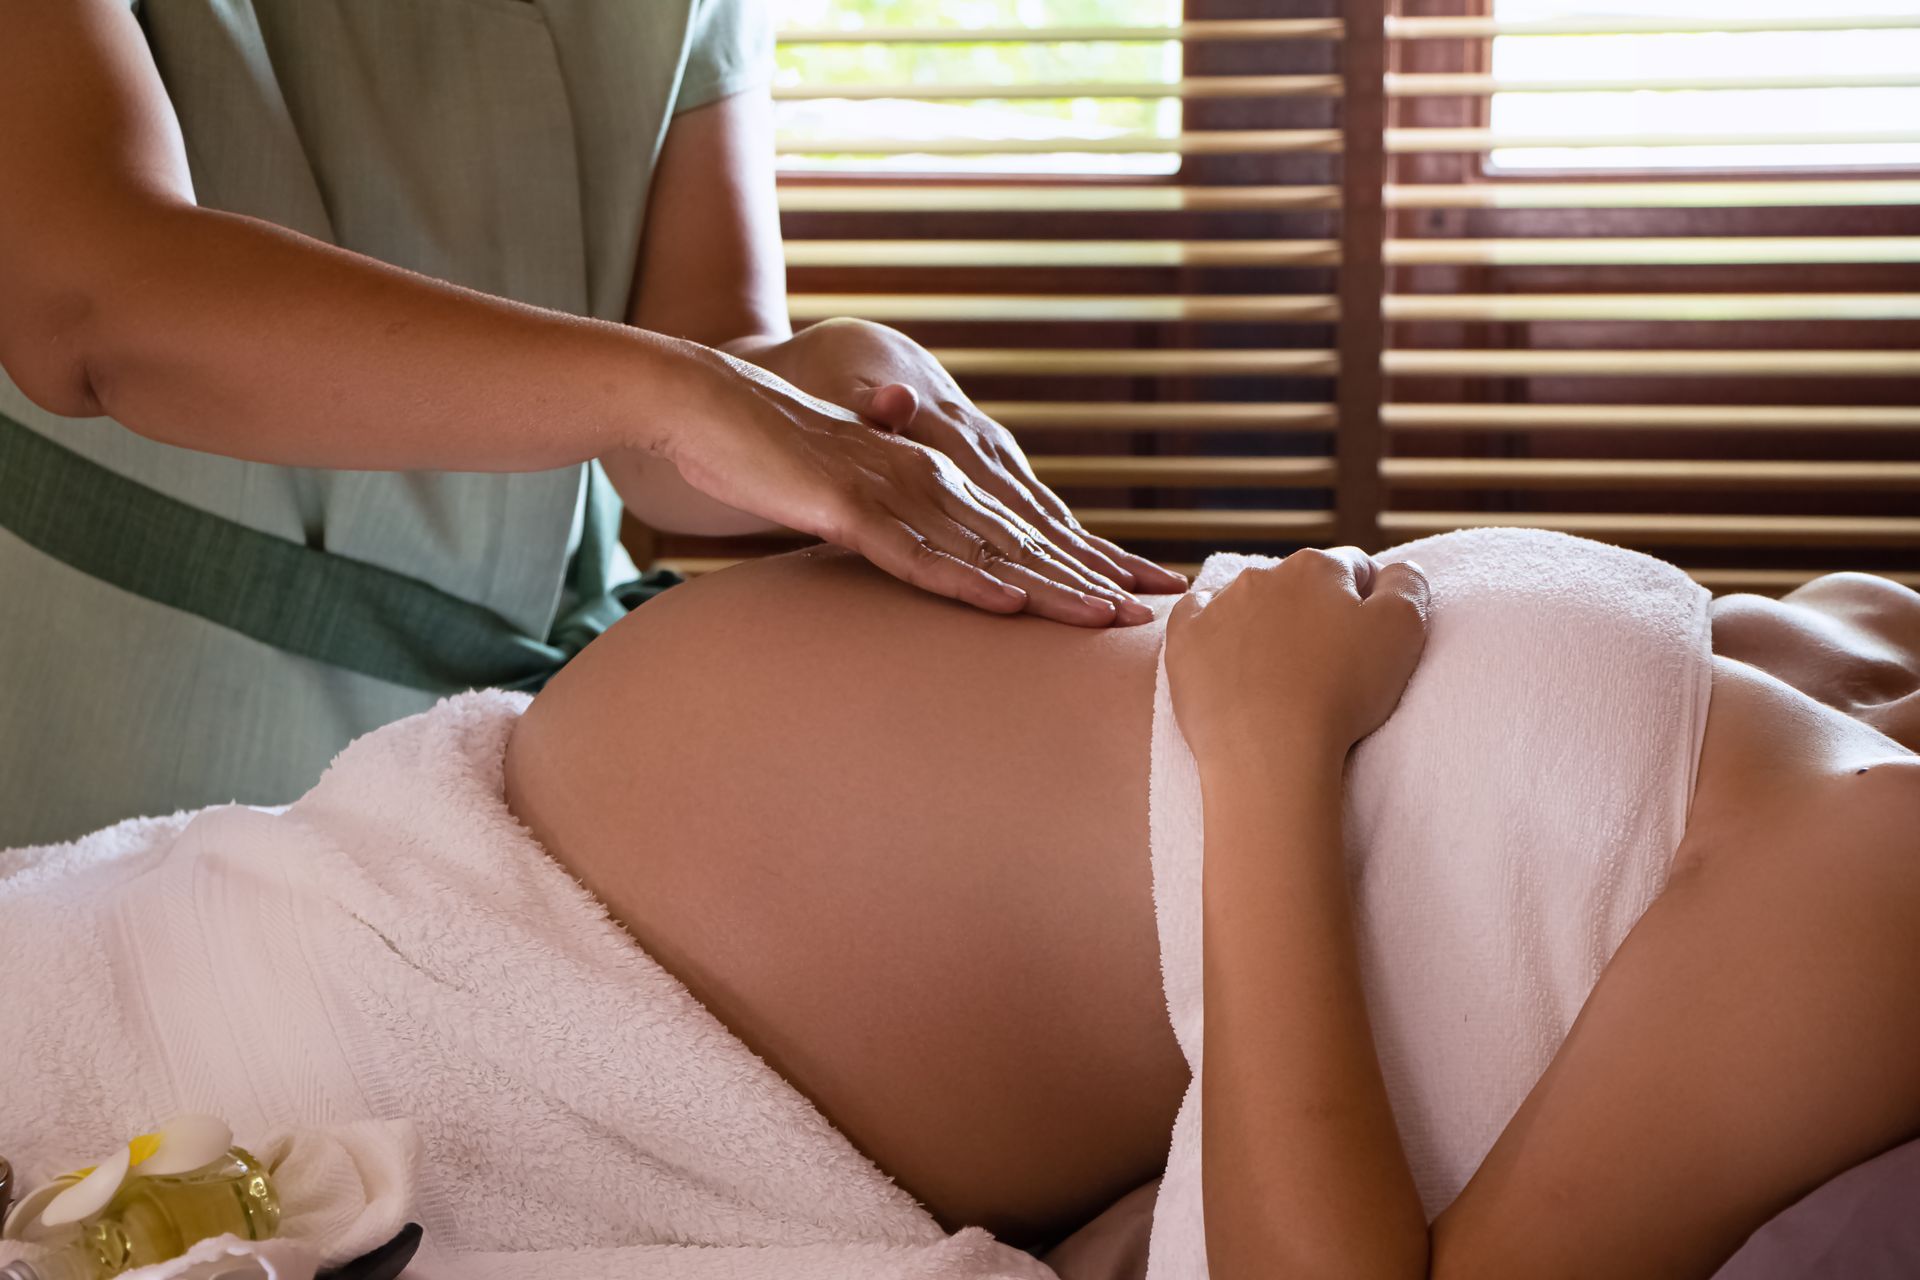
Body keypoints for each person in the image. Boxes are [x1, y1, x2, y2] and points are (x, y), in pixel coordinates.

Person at [3, 532, 1916, 1278]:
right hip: (388, 865)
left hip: (467, 1038)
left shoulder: (1883, 897)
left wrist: (1261, 755)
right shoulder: (1861, 646)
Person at [0, 0, 1182, 846]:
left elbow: (692, 402)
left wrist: (836, 380)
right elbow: (89, 304)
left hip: (508, 784)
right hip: (105, 740)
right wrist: (682, 392)